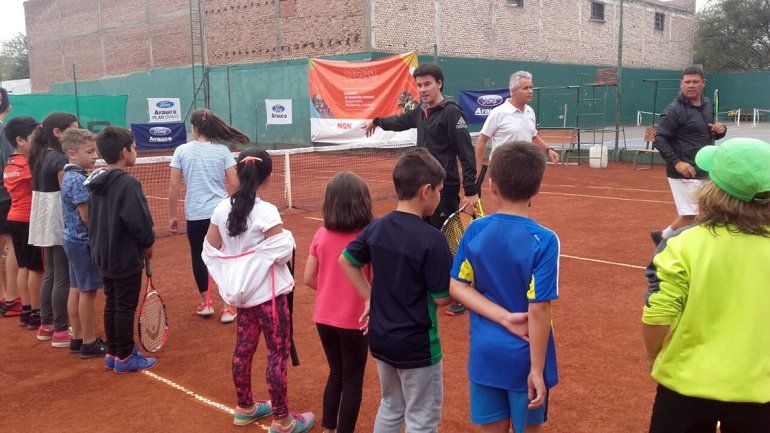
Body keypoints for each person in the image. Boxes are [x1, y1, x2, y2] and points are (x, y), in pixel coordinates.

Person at [643, 137, 770, 433]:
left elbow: (657, 315)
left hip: (685, 383)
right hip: (759, 389)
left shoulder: (681, 243)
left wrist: (654, 358)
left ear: (715, 189)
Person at [339, 148, 454, 433]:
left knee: (390, 407)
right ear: (426, 191)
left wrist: (370, 297)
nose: (440, 196)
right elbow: (442, 299)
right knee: (421, 419)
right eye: (439, 190)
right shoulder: (433, 240)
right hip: (417, 347)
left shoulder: (377, 227)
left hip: (382, 341)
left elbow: (347, 260)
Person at [201, 149, 315, 433]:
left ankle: (245, 407)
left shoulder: (221, 208)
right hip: (270, 297)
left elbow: (211, 248)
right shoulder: (266, 211)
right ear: (269, 177)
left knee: (243, 350)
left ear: (237, 174)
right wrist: (273, 247)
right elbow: (281, 252)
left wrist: (238, 270)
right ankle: (282, 420)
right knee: (277, 353)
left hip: (243, 298)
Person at [449, 141, 559, 433]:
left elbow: (457, 287)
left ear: (493, 186)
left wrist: (502, 318)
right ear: (537, 188)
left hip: (486, 355)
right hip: (526, 358)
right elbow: (539, 308)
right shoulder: (546, 240)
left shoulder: (475, 229)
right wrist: (537, 370)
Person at [363, 63, 477, 316]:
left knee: (444, 240)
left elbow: (466, 154)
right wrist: (378, 121)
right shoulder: (421, 111)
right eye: (419, 84)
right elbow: (400, 121)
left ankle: (459, 293)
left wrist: (471, 190)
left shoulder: (451, 114)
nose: (423, 89)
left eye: (427, 84)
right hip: (420, 190)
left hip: (443, 190)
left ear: (440, 83)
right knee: (425, 236)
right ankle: (434, 284)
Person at [303, 172, 373, 433]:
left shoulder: (321, 233)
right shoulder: (367, 236)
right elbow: (373, 283)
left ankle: (328, 428)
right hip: (355, 321)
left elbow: (309, 278)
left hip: (324, 319)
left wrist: (331, 292)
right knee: (353, 381)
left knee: (336, 373)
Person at [87, 126, 156, 373]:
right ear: (124, 152)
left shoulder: (96, 181)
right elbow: (139, 221)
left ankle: (113, 353)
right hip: (124, 256)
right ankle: (125, 357)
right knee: (124, 305)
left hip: (103, 255)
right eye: (134, 148)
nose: (136, 152)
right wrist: (148, 243)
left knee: (113, 303)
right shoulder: (127, 183)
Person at [168, 108, 244, 323]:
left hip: (195, 215)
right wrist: (239, 209)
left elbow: (173, 185)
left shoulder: (181, 151)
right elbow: (235, 183)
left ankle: (206, 302)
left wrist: (172, 215)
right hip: (221, 214)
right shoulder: (222, 151)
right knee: (224, 256)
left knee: (198, 256)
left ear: (193, 128)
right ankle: (228, 306)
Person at [651, 65, 727, 246]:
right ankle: (666, 241)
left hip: (705, 168)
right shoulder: (674, 110)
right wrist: (678, 163)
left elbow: (710, 133)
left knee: (708, 210)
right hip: (684, 171)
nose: (691, 85)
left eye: (695, 82)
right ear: (681, 84)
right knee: (692, 215)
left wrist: (721, 130)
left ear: (703, 83)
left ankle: (662, 237)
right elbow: (660, 139)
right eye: (687, 82)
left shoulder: (708, 105)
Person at [28, 112, 78, 347]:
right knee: (62, 276)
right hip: (57, 220)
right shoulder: (59, 159)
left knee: (51, 273)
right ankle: (60, 330)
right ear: (57, 132)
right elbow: (66, 193)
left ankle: (46, 325)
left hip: (43, 219)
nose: (76, 134)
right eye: (72, 130)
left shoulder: (40, 155)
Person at [59, 129, 107, 358]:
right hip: (81, 242)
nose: (94, 155)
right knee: (87, 291)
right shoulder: (78, 179)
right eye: (89, 152)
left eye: (94, 150)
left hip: (70, 239)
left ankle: (77, 337)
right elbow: (86, 216)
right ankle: (89, 341)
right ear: (72, 154)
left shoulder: (70, 176)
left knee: (76, 288)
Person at [474, 71, 560, 176]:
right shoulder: (498, 112)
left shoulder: (530, 112)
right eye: (525, 88)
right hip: (502, 170)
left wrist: (548, 150)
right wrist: (478, 167)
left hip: (525, 169)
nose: (530, 91)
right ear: (513, 91)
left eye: (531, 87)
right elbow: (482, 140)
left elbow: (533, 136)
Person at [3, 116, 43, 330]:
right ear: (20, 140)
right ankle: (36, 312)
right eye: (35, 137)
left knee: (24, 266)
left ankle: (27, 310)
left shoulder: (10, 164)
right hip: (28, 220)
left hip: (15, 218)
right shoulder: (28, 165)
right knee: (35, 268)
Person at [0, 87, 21, 318]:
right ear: (8, 106)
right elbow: (11, 165)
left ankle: (4, 295)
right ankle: (11, 298)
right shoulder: (4, 132)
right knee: (13, 245)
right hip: (5, 196)